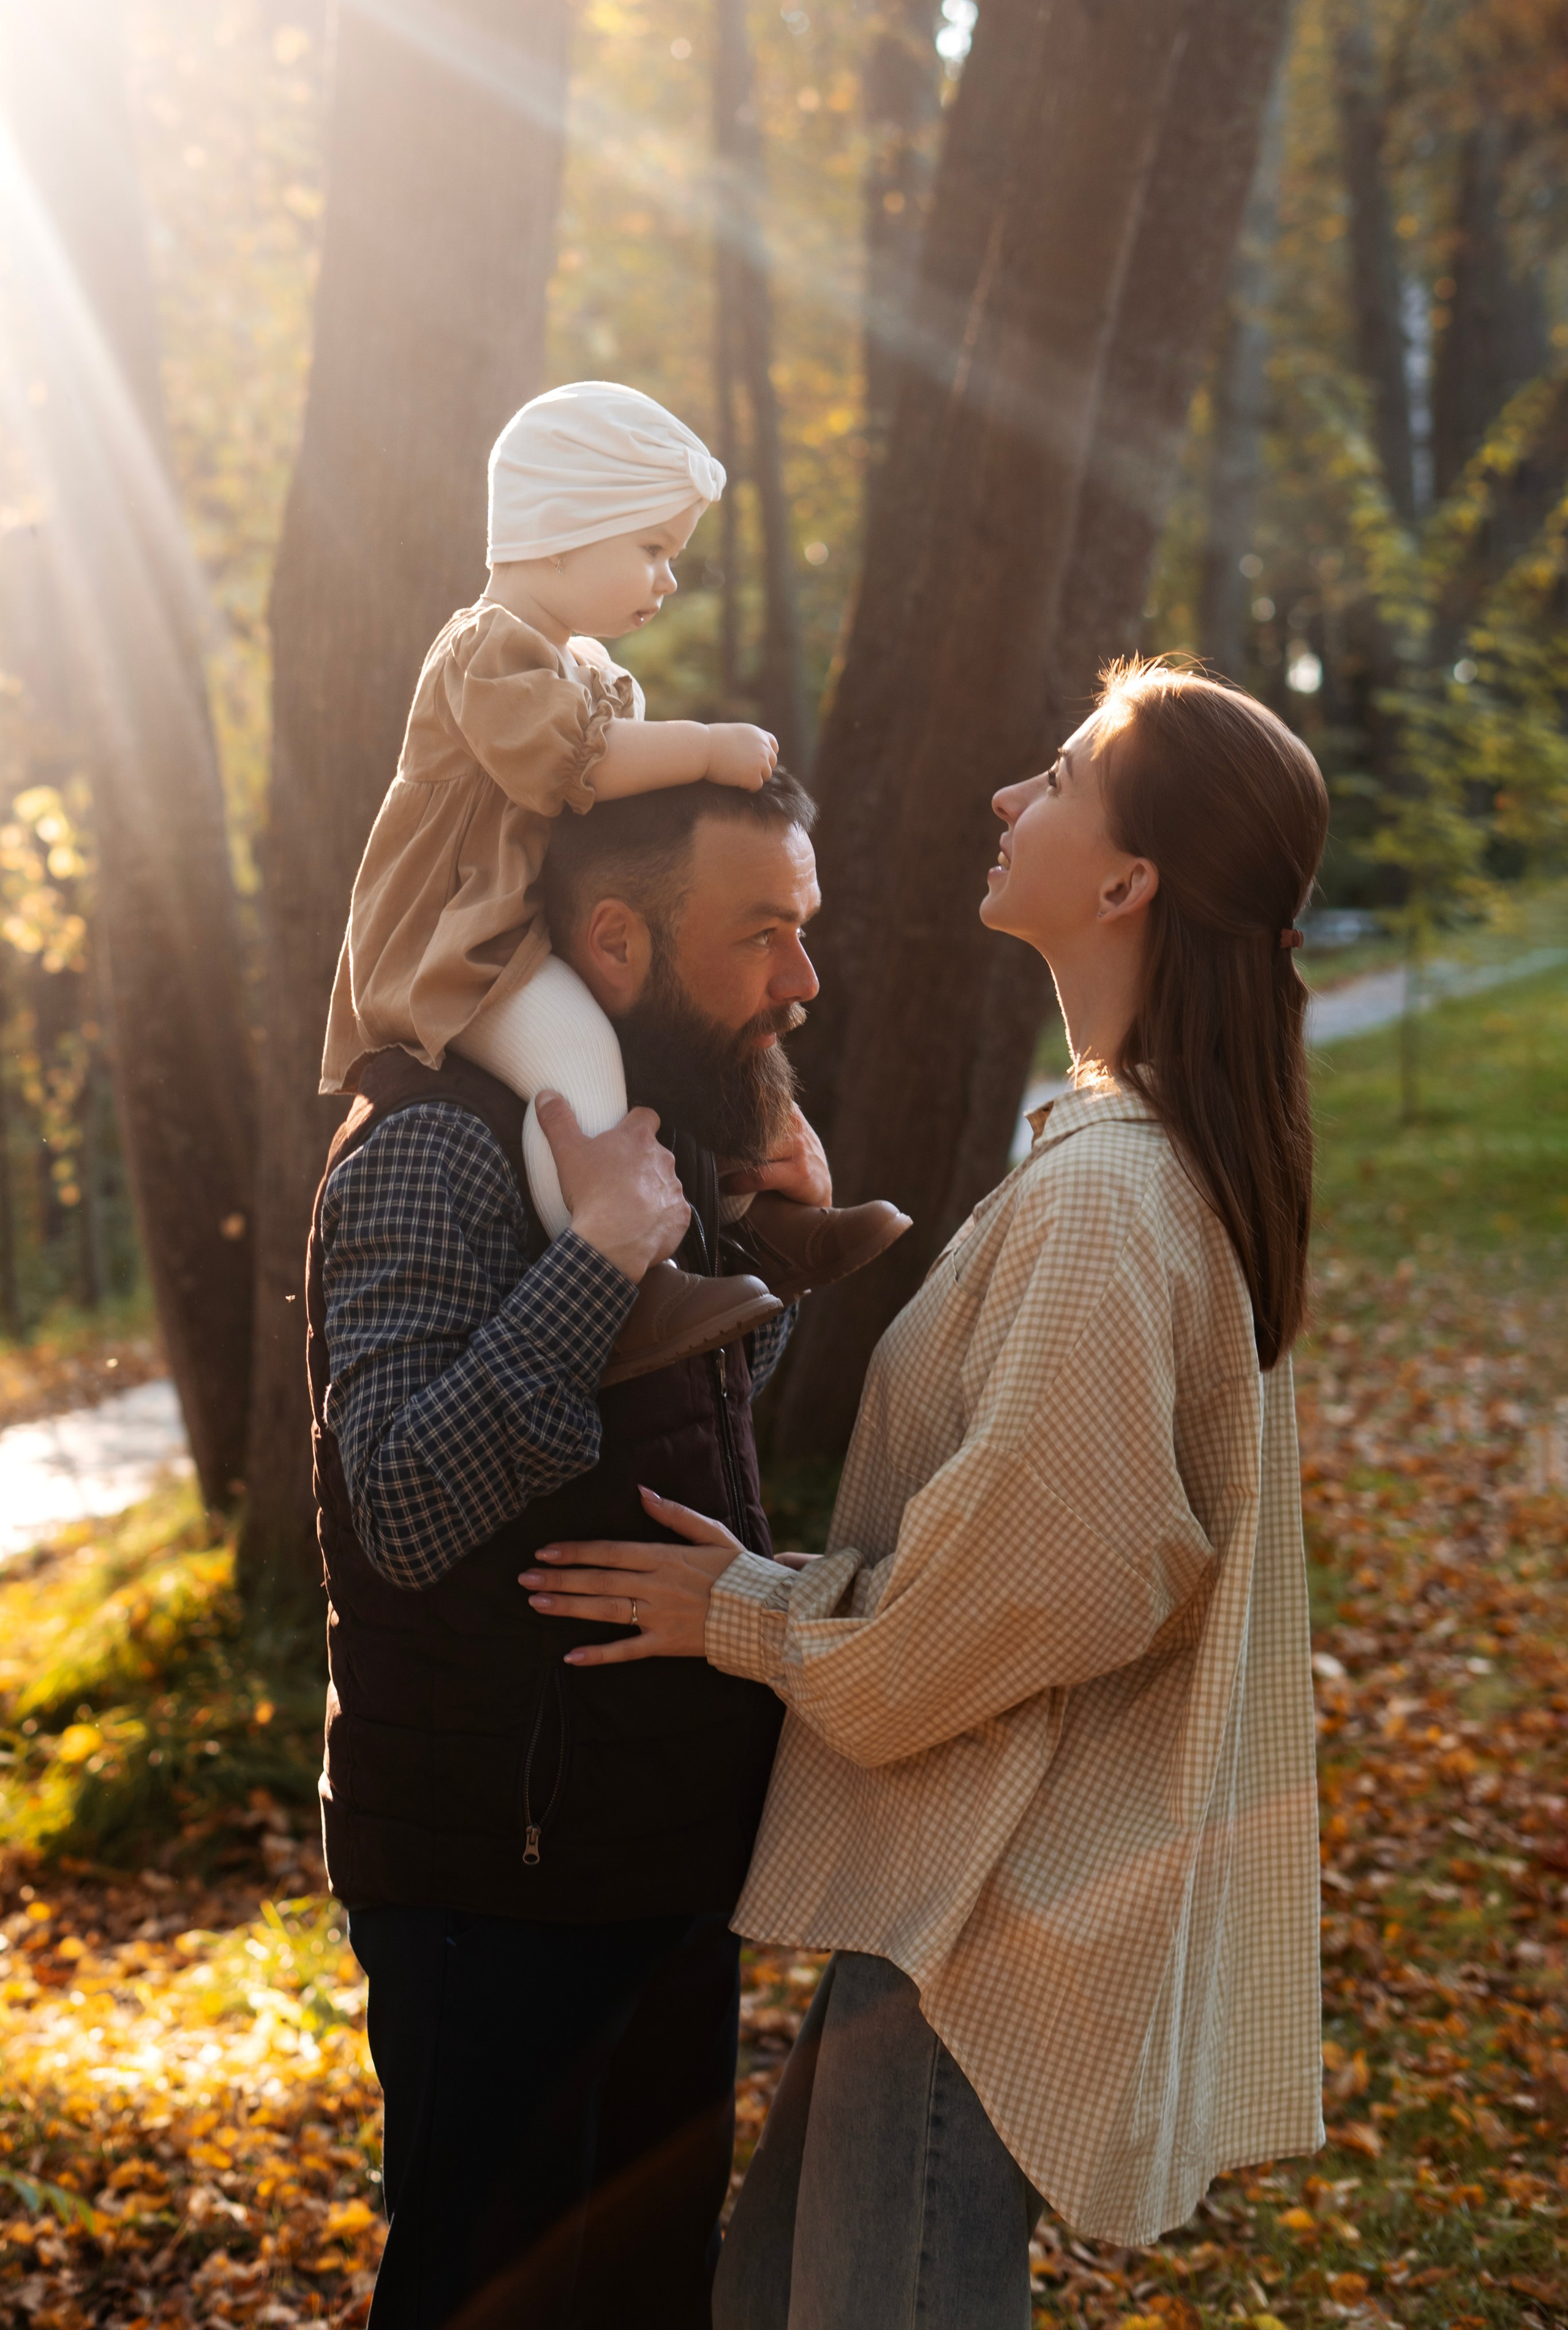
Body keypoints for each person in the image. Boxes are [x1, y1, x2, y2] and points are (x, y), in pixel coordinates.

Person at [518, 659, 1331, 2321]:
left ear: (1127, 883)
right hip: (965, 1897)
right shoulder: (1121, 1152)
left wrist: (748, 1616)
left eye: (1057, 771)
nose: (1004, 798)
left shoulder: (1113, 1194)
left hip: (996, 1918)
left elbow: (1036, 1576)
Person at [311, 769, 854, 2330]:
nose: (800, 984)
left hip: (653, 1854)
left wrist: (746, 1259)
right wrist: (610, 1252)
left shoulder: (633, 1134)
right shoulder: (438, 1143)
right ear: (613, 941)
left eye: (802, 934)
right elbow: (402, 1502)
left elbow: (643, 1434)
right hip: (501, 1880)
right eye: (763, 935)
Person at [320, 379, 905, 1386]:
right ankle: (629, 1285)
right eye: (651, 550)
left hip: (529, 925)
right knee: (582, 1060)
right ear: (558, 533)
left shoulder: (580, 663)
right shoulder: (484, 651)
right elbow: (573, 767)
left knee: (698, 1039)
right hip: (468, 950)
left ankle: (763, 1224)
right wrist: (710, 747)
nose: (669, 579)